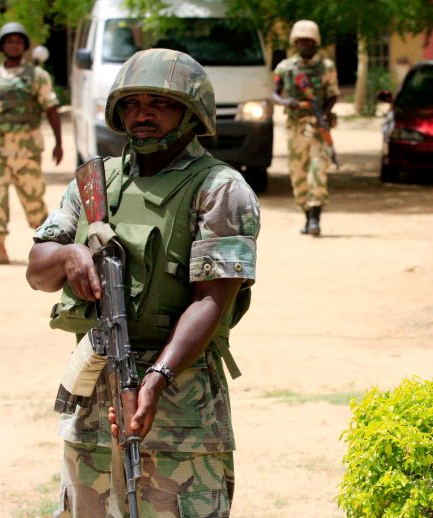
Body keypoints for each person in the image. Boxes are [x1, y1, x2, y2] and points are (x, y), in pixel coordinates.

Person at [25, 48, 260, 516]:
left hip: (179, 402)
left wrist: (156, 379)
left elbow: (212, 299)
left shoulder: (220, 189)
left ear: (192, 113)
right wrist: (72, 254)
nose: (143, 114)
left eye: (160, 103)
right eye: (132, 104)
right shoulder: (95, 183)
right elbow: (37, 269)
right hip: (94, 393)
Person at [0, 22, 63, 265]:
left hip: (26, 149)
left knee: (33, 200)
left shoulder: (37, 76)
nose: (13, 44)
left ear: (25, 46)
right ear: (2, 45)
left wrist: (59, 143)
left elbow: (51, 109)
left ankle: (45, 249)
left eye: (18, 40)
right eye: (9, 40)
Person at [272, 19, 339, 236]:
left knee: (317, 169)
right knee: (298, 173)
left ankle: (315, 218)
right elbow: (273, 92)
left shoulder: (326, 67)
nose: (304, 44)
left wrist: (325, 113)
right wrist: (285, 102)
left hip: (317, 126)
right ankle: (306, 214)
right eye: (300, 41)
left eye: (308, 41)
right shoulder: (285, 67)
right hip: (294, 127)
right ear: (295, 42)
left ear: (315, 43)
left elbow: (333, 94)